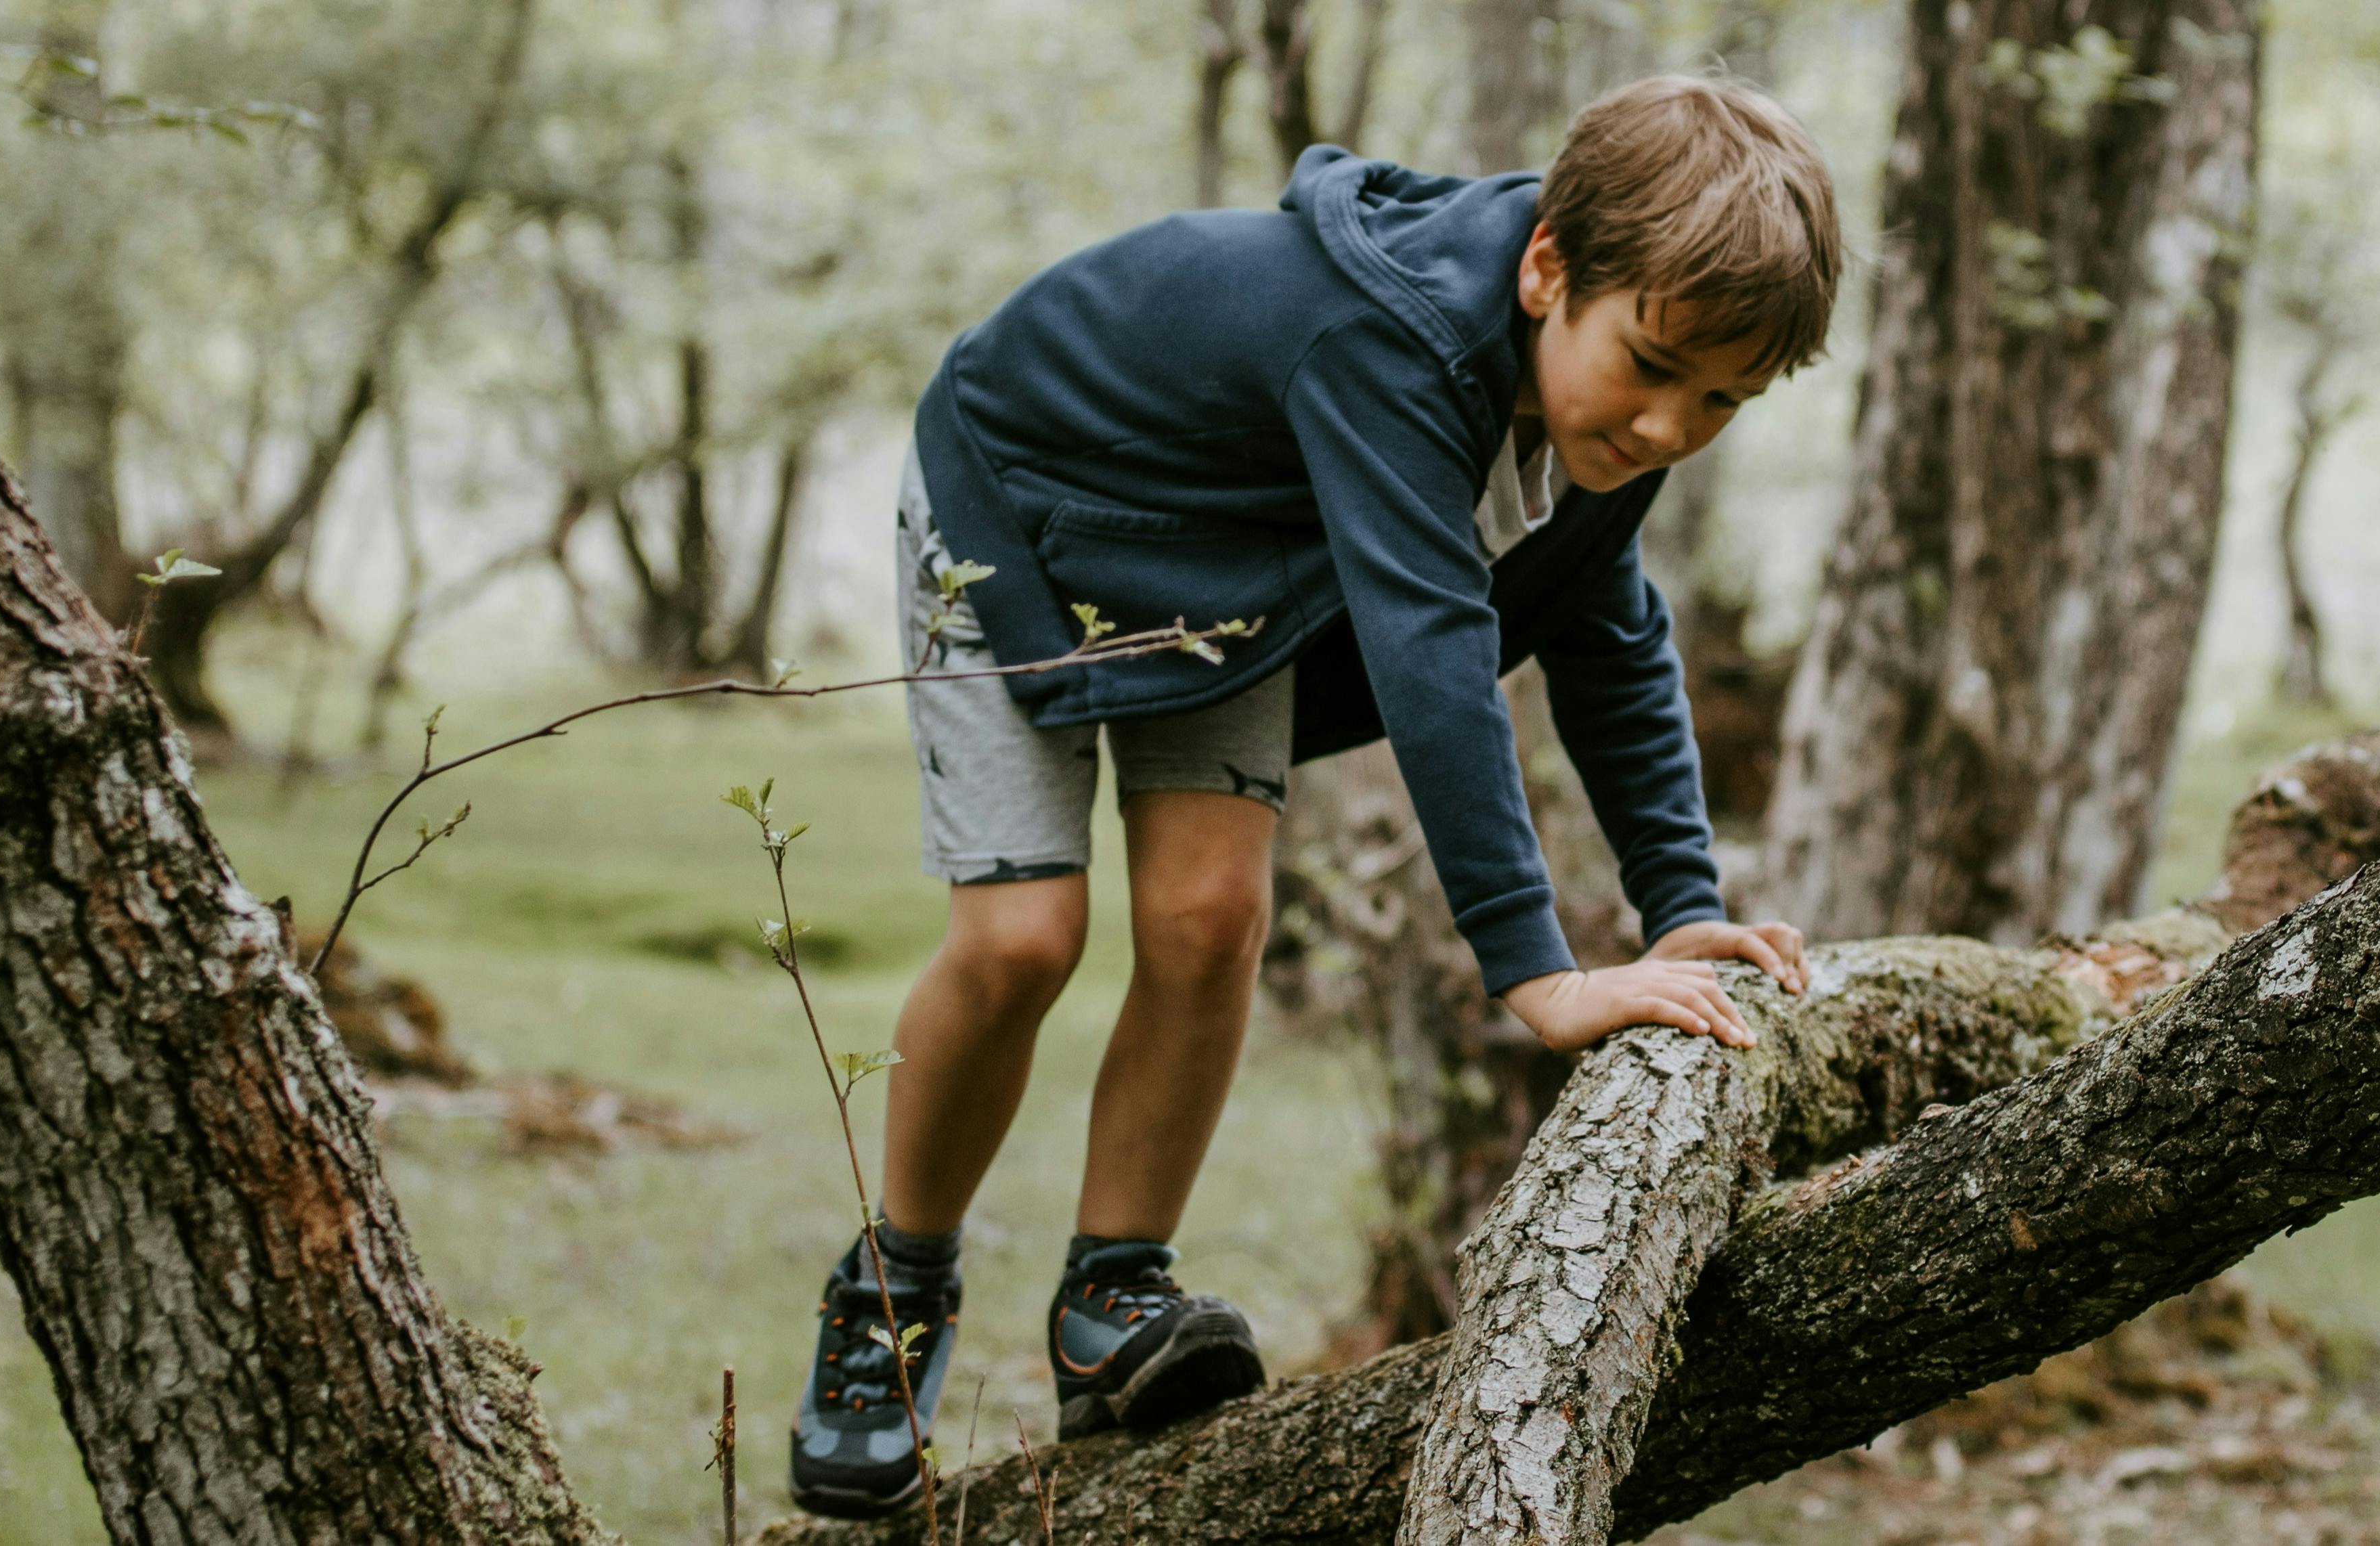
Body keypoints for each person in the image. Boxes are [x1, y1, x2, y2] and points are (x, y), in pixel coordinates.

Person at [787, 74, 1843, 1519]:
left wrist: (1681, 906)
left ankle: (1113, 1300)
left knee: (1211, 913)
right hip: (1021, 497)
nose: (1670, 426)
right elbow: (1429, 641)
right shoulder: (1392, 343)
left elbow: (1607, 628)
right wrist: (1534, 972)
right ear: (1547, 269)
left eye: (1722, 398)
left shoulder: (1603, 404)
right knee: (1023, 936)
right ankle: (892, 1289)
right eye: (1655, 367)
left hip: (1231, 565)